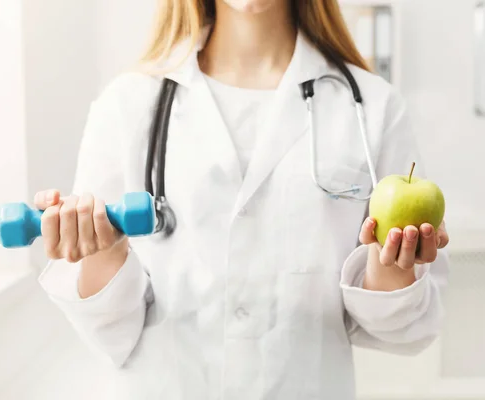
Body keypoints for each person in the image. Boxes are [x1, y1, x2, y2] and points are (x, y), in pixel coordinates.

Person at [35, 0, 450, 398]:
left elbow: (409, 331)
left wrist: (390, 270)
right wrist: (102, 254)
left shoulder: (373, 108)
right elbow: (109, 336)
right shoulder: (126, 105)